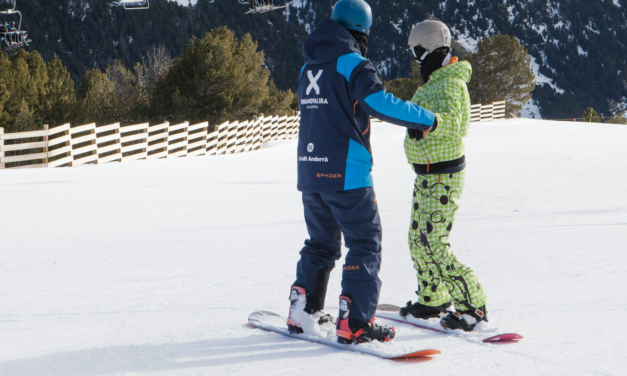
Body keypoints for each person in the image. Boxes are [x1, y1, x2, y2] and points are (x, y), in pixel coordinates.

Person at [287, 0, 438, 345]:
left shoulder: (308, 66)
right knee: (364, 243)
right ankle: (355, 321)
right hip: (347, 173)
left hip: (310, 172)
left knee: (321, 244)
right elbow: (378, 102)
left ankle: (302, 310)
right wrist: (425, 118)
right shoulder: (352, 63)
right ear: (361, 31)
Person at [398, 20, 488, 332]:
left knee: (433, 243)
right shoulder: (435, 81)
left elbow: (457, 125)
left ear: (429, 48)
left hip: (443, 177)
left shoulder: (451, 84)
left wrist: (427, 122)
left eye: (417, 51)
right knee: (417, 241)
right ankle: (432, 299)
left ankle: (472, 306)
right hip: (426, 176)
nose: (416, 58)